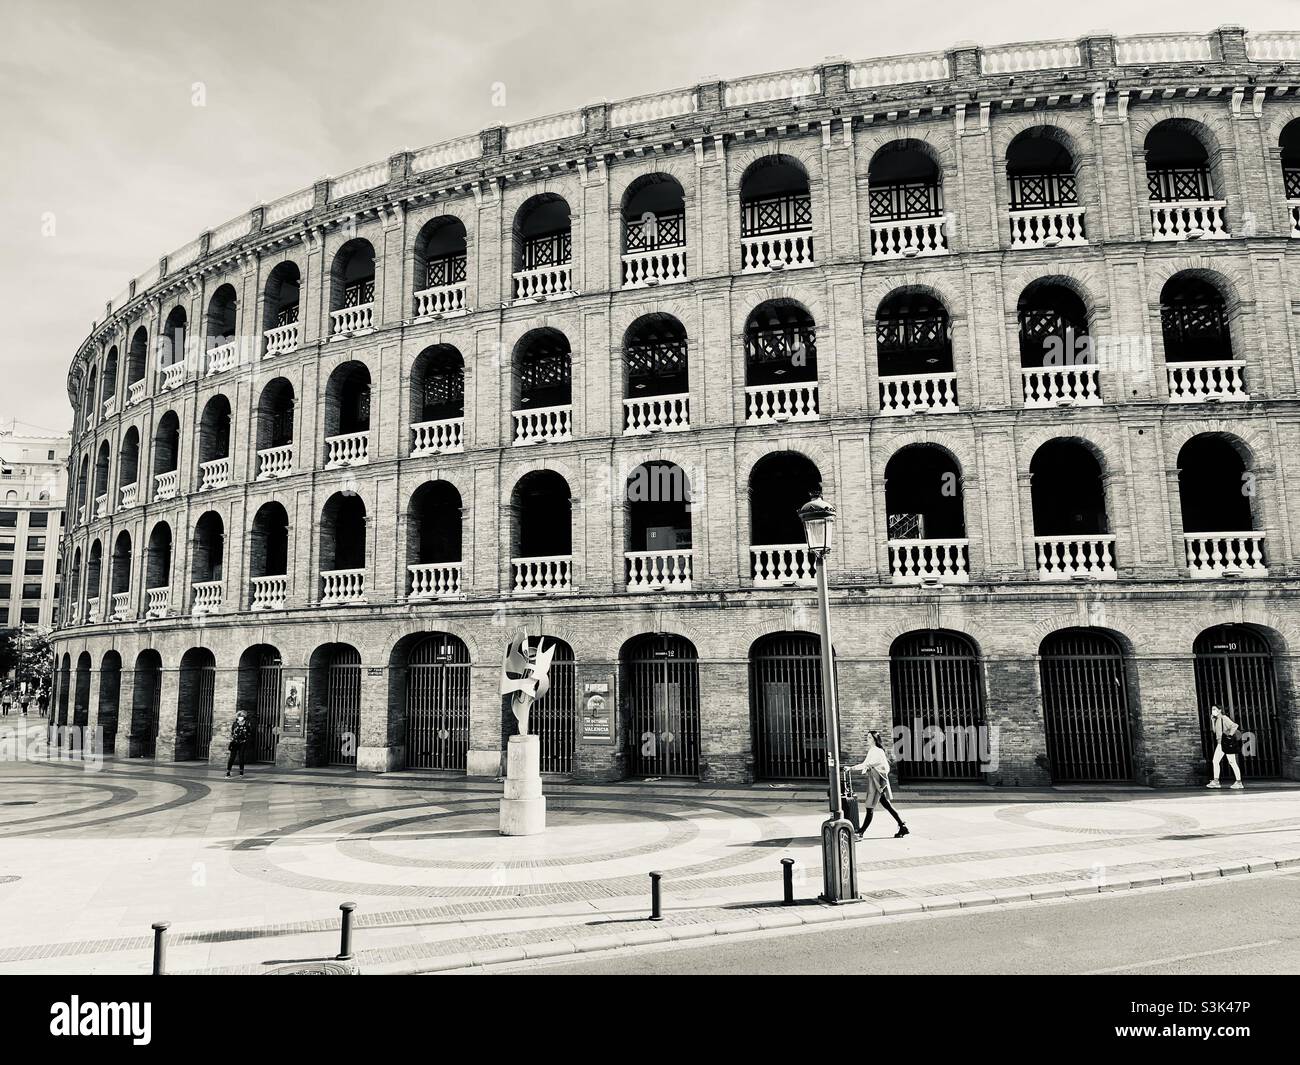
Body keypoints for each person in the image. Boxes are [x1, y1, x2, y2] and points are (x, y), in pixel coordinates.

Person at [849, 731, 909, 838]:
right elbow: (866, 764)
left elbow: (882, 767)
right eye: (867, 737)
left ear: (875, 739)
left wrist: (852, 768)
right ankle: (902, 826)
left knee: (870, 807)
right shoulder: (872, 750)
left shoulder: (878, 751)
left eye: (870, 738)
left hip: (877, 783)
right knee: (886, 805)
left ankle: (861, 832)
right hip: (875, 782)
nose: (868, 739)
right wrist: (852, 768)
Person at [1207, 704, 1244, 789]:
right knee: (1215, 761)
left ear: (1219, 710)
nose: (1213, 711)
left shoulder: (1224, 718)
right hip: (1220, 744)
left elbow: (1235, 726)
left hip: (1225, 743)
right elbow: (1214, 731)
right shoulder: (1216, 720)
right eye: (1212, 709)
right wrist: (1212, 721)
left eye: (1214, 709)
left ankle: (1239, 782)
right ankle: (1216, 781)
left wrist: (1230, 736)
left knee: (1232, 762)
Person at [226, 709, 251, 777]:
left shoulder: (247, 723)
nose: (241, 717)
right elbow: (232, 732)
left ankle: (241, 772)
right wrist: (232, 739)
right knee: (232, 757)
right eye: (239, 716)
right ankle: (228, 772)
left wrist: (246, 739)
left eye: (242, 716)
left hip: (242, 742)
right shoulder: (235, 723)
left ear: (244, 716)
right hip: (234, 742)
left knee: (241, 757)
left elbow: (249, 733)